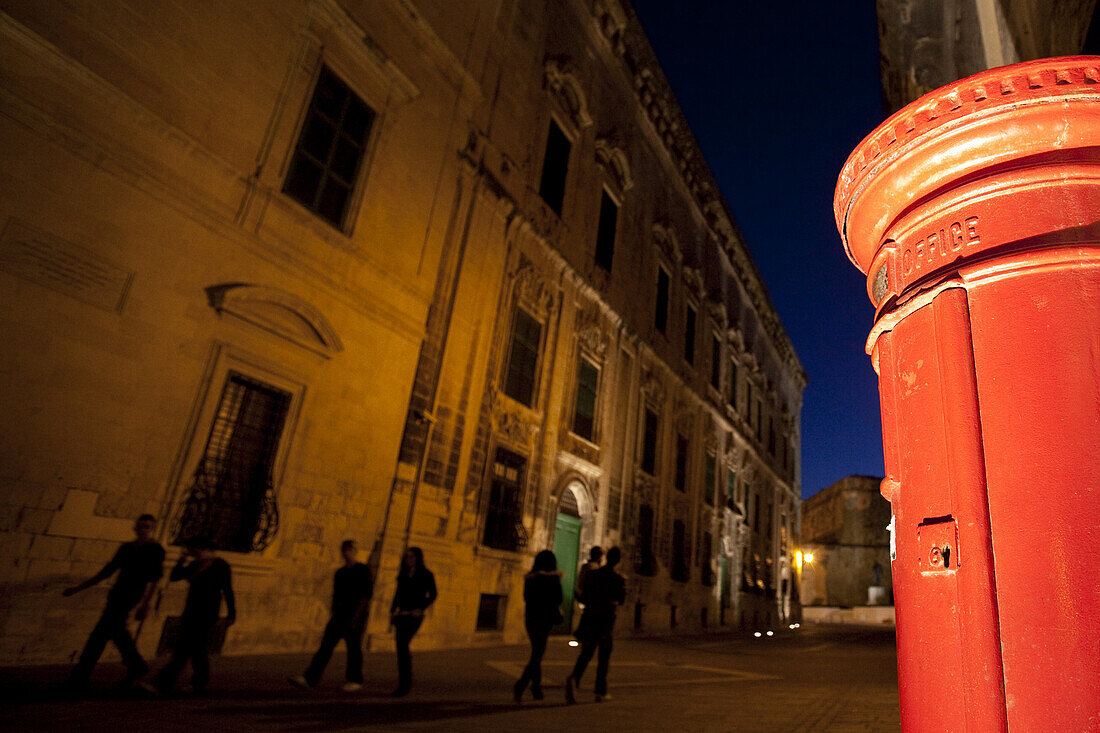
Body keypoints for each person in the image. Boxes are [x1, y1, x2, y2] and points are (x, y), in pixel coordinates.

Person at [63, 514, 165, 689]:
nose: (142, 530)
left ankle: (82, 674)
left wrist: (146, 604)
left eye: (147, 527)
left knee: (100, 634)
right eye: (140, 526)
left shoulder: (155, 549)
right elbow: (108, 571)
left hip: (132, 595)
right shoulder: (126, 548)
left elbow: (155, 579)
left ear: (152, 529)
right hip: (117, 593)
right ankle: (136, 665)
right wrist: (78, 588)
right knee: (114, 633)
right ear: (135, 528)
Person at [142, 537, 235, 695]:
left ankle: (164, 683)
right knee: (197, 649)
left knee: (184, 649)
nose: (194, 555)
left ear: (207, 550)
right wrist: (181, 560)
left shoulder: (220, 565)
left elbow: (227, 589)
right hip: (191, 610)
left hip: (207, 612)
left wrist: (231, 613)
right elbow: (175, 576)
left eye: (196, 552)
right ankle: (200, 681)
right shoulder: (195, 565)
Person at [289, 539, 374, 691]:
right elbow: (336, 595)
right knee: (325, 647)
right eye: (345, 550)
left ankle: (355, 680)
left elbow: (366, 595)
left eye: (349, 549)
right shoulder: (340, 573)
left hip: (355, 616)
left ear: (355, 551)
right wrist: (334, 612)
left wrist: (356, 617)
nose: (346, 553)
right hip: (339, 616)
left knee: (354, 648)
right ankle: (310, 678)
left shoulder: (363, 570)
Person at [565, 546, 625, 704]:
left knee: (586, 653)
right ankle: (600, 691)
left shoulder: (594, 574)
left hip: (590, 618)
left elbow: (584, 596)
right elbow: (621, 600)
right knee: (604, 658)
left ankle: (574, 678)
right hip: (606, 622)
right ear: (618, 560)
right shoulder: (618, 579)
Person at [513, 550, 563, 702]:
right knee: (537, 655)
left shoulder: (531, 579)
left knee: (537, 652)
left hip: (531, 619)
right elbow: (558, 599)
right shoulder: (553, 580)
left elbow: (526, 598)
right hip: (545, 619)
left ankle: (536, 688)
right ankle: (521, 684)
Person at [389, 546, 437, 696]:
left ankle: (405, 684)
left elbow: (433, 594)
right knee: (401, 648)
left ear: (417, 558)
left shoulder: (426, 574)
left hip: (415, 615)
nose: (408, 560)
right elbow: (398, 593)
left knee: (403, 645)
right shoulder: (403, 574)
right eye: (406, 557)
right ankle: (404, 681)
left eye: (411, 557)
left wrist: (421, 608)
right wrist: (392, 610)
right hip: (401, 614)